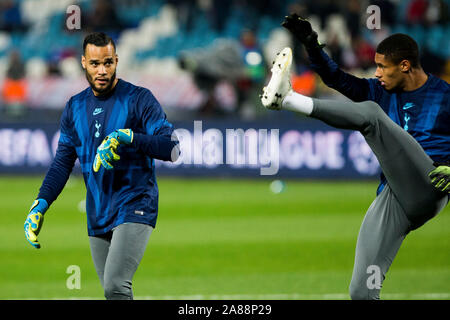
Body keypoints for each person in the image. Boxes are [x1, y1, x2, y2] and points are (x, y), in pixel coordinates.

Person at [260, 14, 449, 300]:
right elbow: (337, 78)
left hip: (429, 181)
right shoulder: (380, 90)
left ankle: (287, 99)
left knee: (372, 115)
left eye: (383, 68)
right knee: (362, 291)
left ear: (405, 66)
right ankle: (286, 98)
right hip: (395, 196)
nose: (377, 74)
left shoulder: (444, 95)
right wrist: (312, 44)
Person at [23, 32, 180, 300]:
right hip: (98, 210)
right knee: (113, 294)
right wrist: (40, 204)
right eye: (95, 64)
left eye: (108, 63)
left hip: (135, 203)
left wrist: (128, 136)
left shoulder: (139, 99)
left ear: (117, 60)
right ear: (83, 63)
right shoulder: (74, 107)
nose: (102, 70)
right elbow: (62, 162)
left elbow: (172, 149)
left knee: (115, 285)